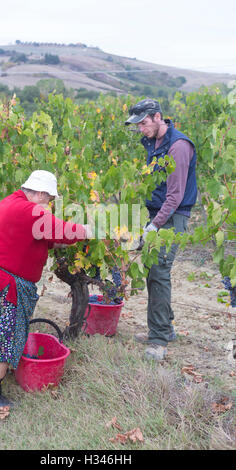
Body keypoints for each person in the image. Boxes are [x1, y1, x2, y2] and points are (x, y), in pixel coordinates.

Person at [0, 170, 91, 407]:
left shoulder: (15, 203)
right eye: (49, 199)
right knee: (0, 340)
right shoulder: (29, 210)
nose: (49, 204)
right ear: (39, 193)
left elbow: (47, 237)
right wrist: (94, 231)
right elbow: (62, 230)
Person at [125, 99, 197, 361]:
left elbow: (175, 195)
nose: (141, 129)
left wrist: (154, 226)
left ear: (158, 117)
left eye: (144, 123)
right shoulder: (153, 141)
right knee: (152, 270)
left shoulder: (178, 146)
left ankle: (159, 339)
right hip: (158, 214)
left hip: (173, 217)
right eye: (138, 125)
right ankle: (165, 327)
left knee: (159, 272)